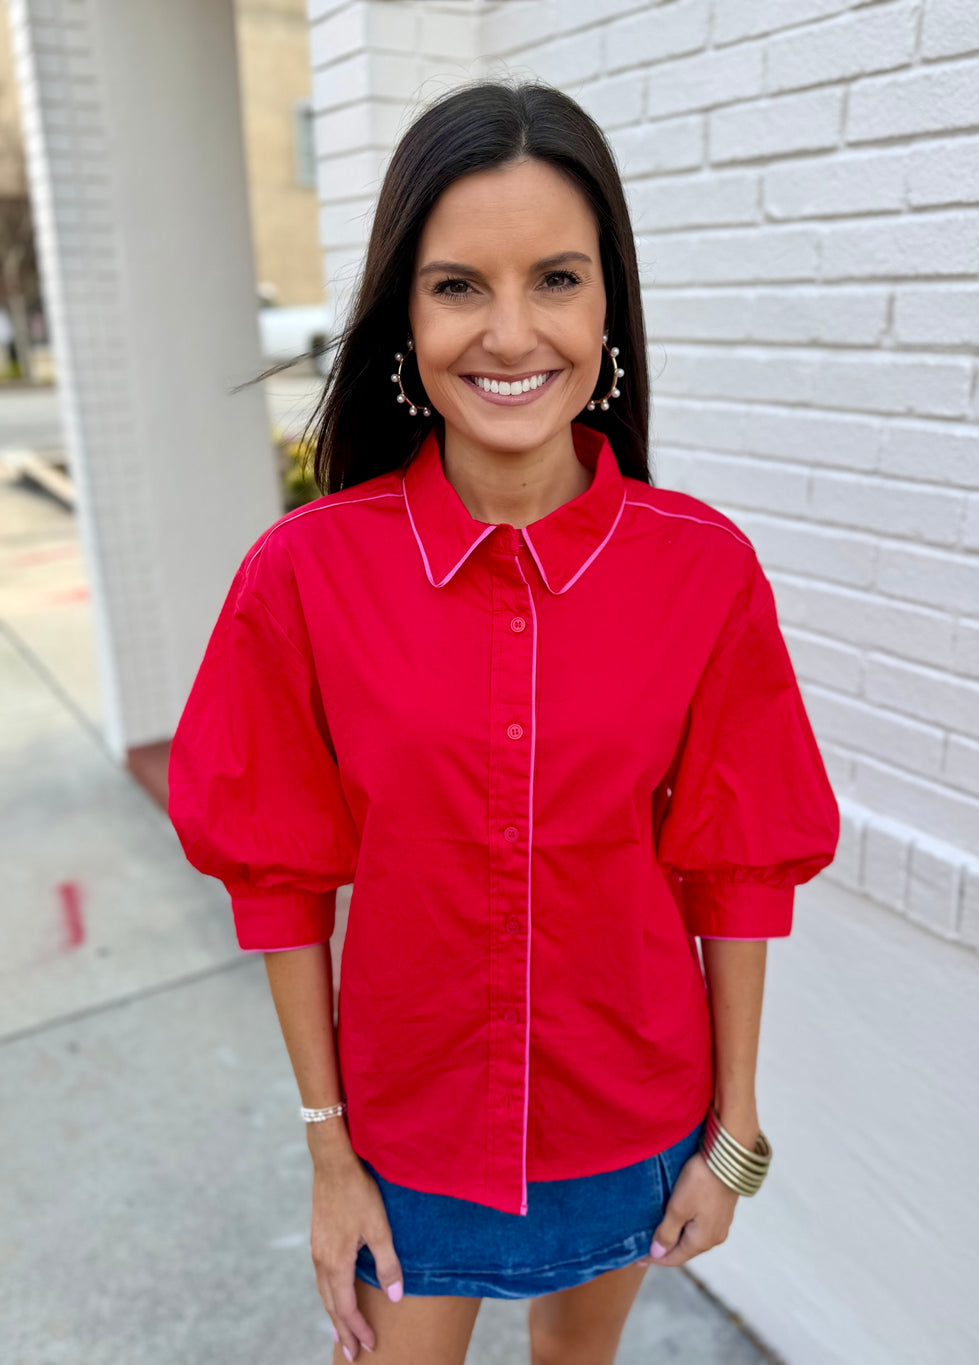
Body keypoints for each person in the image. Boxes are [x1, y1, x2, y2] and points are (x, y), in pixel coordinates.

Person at [167, 79, 840, 1365]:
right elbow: (280, 876)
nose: (511, 331)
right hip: (407, 1137)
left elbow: (735, 865)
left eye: (557, 280)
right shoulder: (302, 577)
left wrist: (731, 1138)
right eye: (459, 285)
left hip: (633, 1120)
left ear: (608, 307)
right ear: (404, 315)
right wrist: (327, 1153)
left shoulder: (704, 570)